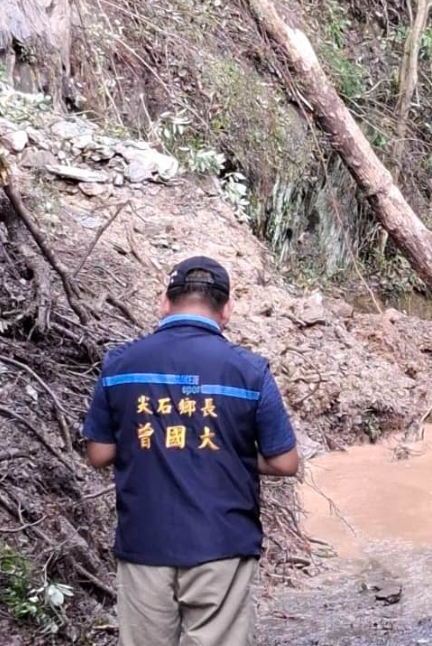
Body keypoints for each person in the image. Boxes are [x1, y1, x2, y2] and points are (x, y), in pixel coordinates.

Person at [81, 255, 299, 646]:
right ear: (227, 309)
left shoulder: (121, 365)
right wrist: (230, 451)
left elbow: (98, 453)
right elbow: (285, 461)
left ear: (165, 301)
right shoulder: (249, 371)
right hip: (223, 544)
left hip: (144, 543)